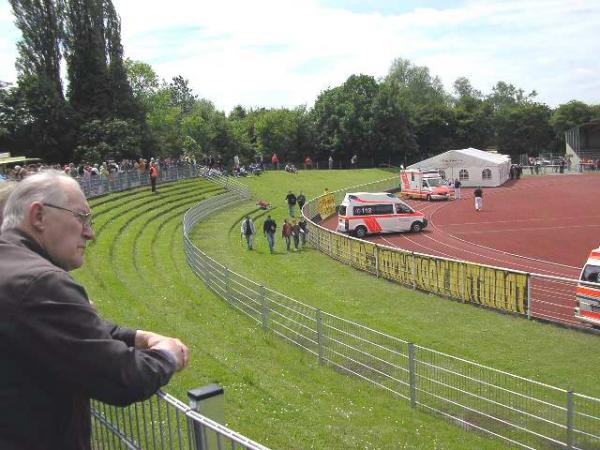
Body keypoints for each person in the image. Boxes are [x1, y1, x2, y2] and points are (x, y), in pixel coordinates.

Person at [0, 170, 189, 450]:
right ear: (38, 216)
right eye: (81, 217)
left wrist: (137, 336)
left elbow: (69, 326)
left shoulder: (12, 267)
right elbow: (122, 377)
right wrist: (168, 354)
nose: (90, 233)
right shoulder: (40, 282)